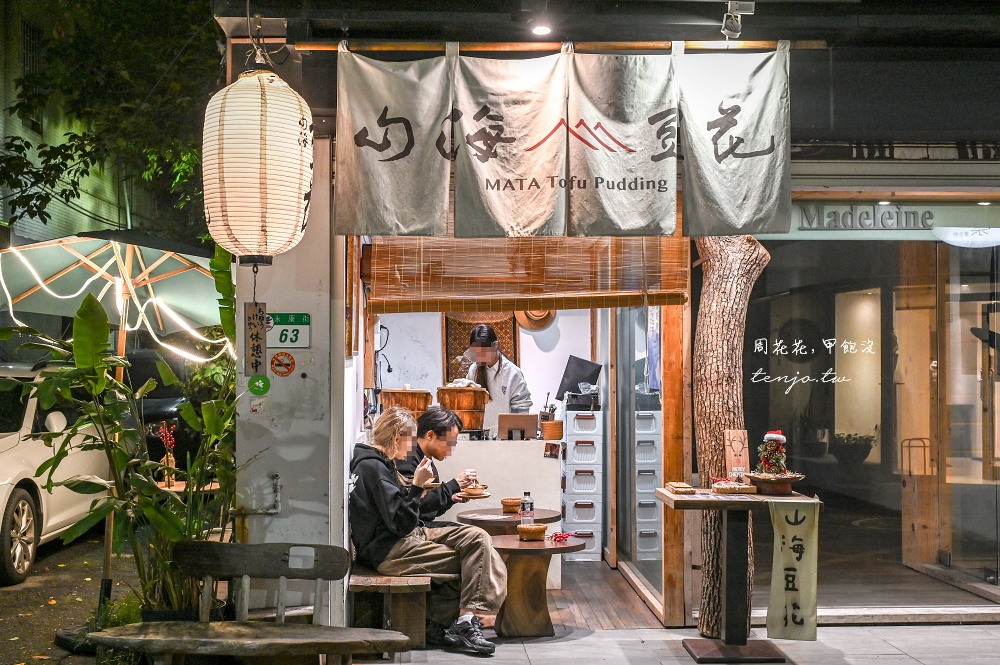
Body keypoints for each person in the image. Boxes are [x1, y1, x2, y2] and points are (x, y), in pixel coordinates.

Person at [349, 407, 506, 654]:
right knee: (480, 562)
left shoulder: (378, 464)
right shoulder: (374, 469)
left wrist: (436, 493)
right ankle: (462, 622)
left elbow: (404, 514)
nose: (412, 446)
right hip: (391, 551)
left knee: (478, 540)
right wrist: (416, 486)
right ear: (397, 437)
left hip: (404, 538)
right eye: (411, 439)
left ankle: (457, 621)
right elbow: (401, 522)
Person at [397, 407, 478, 525]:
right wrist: (455, 484)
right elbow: (413, 505)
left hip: (422, 524)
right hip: (413, 529)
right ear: (430, 435)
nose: (451, 449)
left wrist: (451, 498)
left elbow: (429, 509)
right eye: (449, 442)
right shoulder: (407, 459)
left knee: (475, 533)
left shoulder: (425, 459)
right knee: (476, 535)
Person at [465, 323, 532, 436]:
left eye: (483, 352)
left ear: (495, 345)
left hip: (504, 440)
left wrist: (516, 437)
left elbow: (522, 409)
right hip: (479, 438)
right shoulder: (474, 370)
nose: (480, 357)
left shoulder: (512, 373)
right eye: (476, 353)